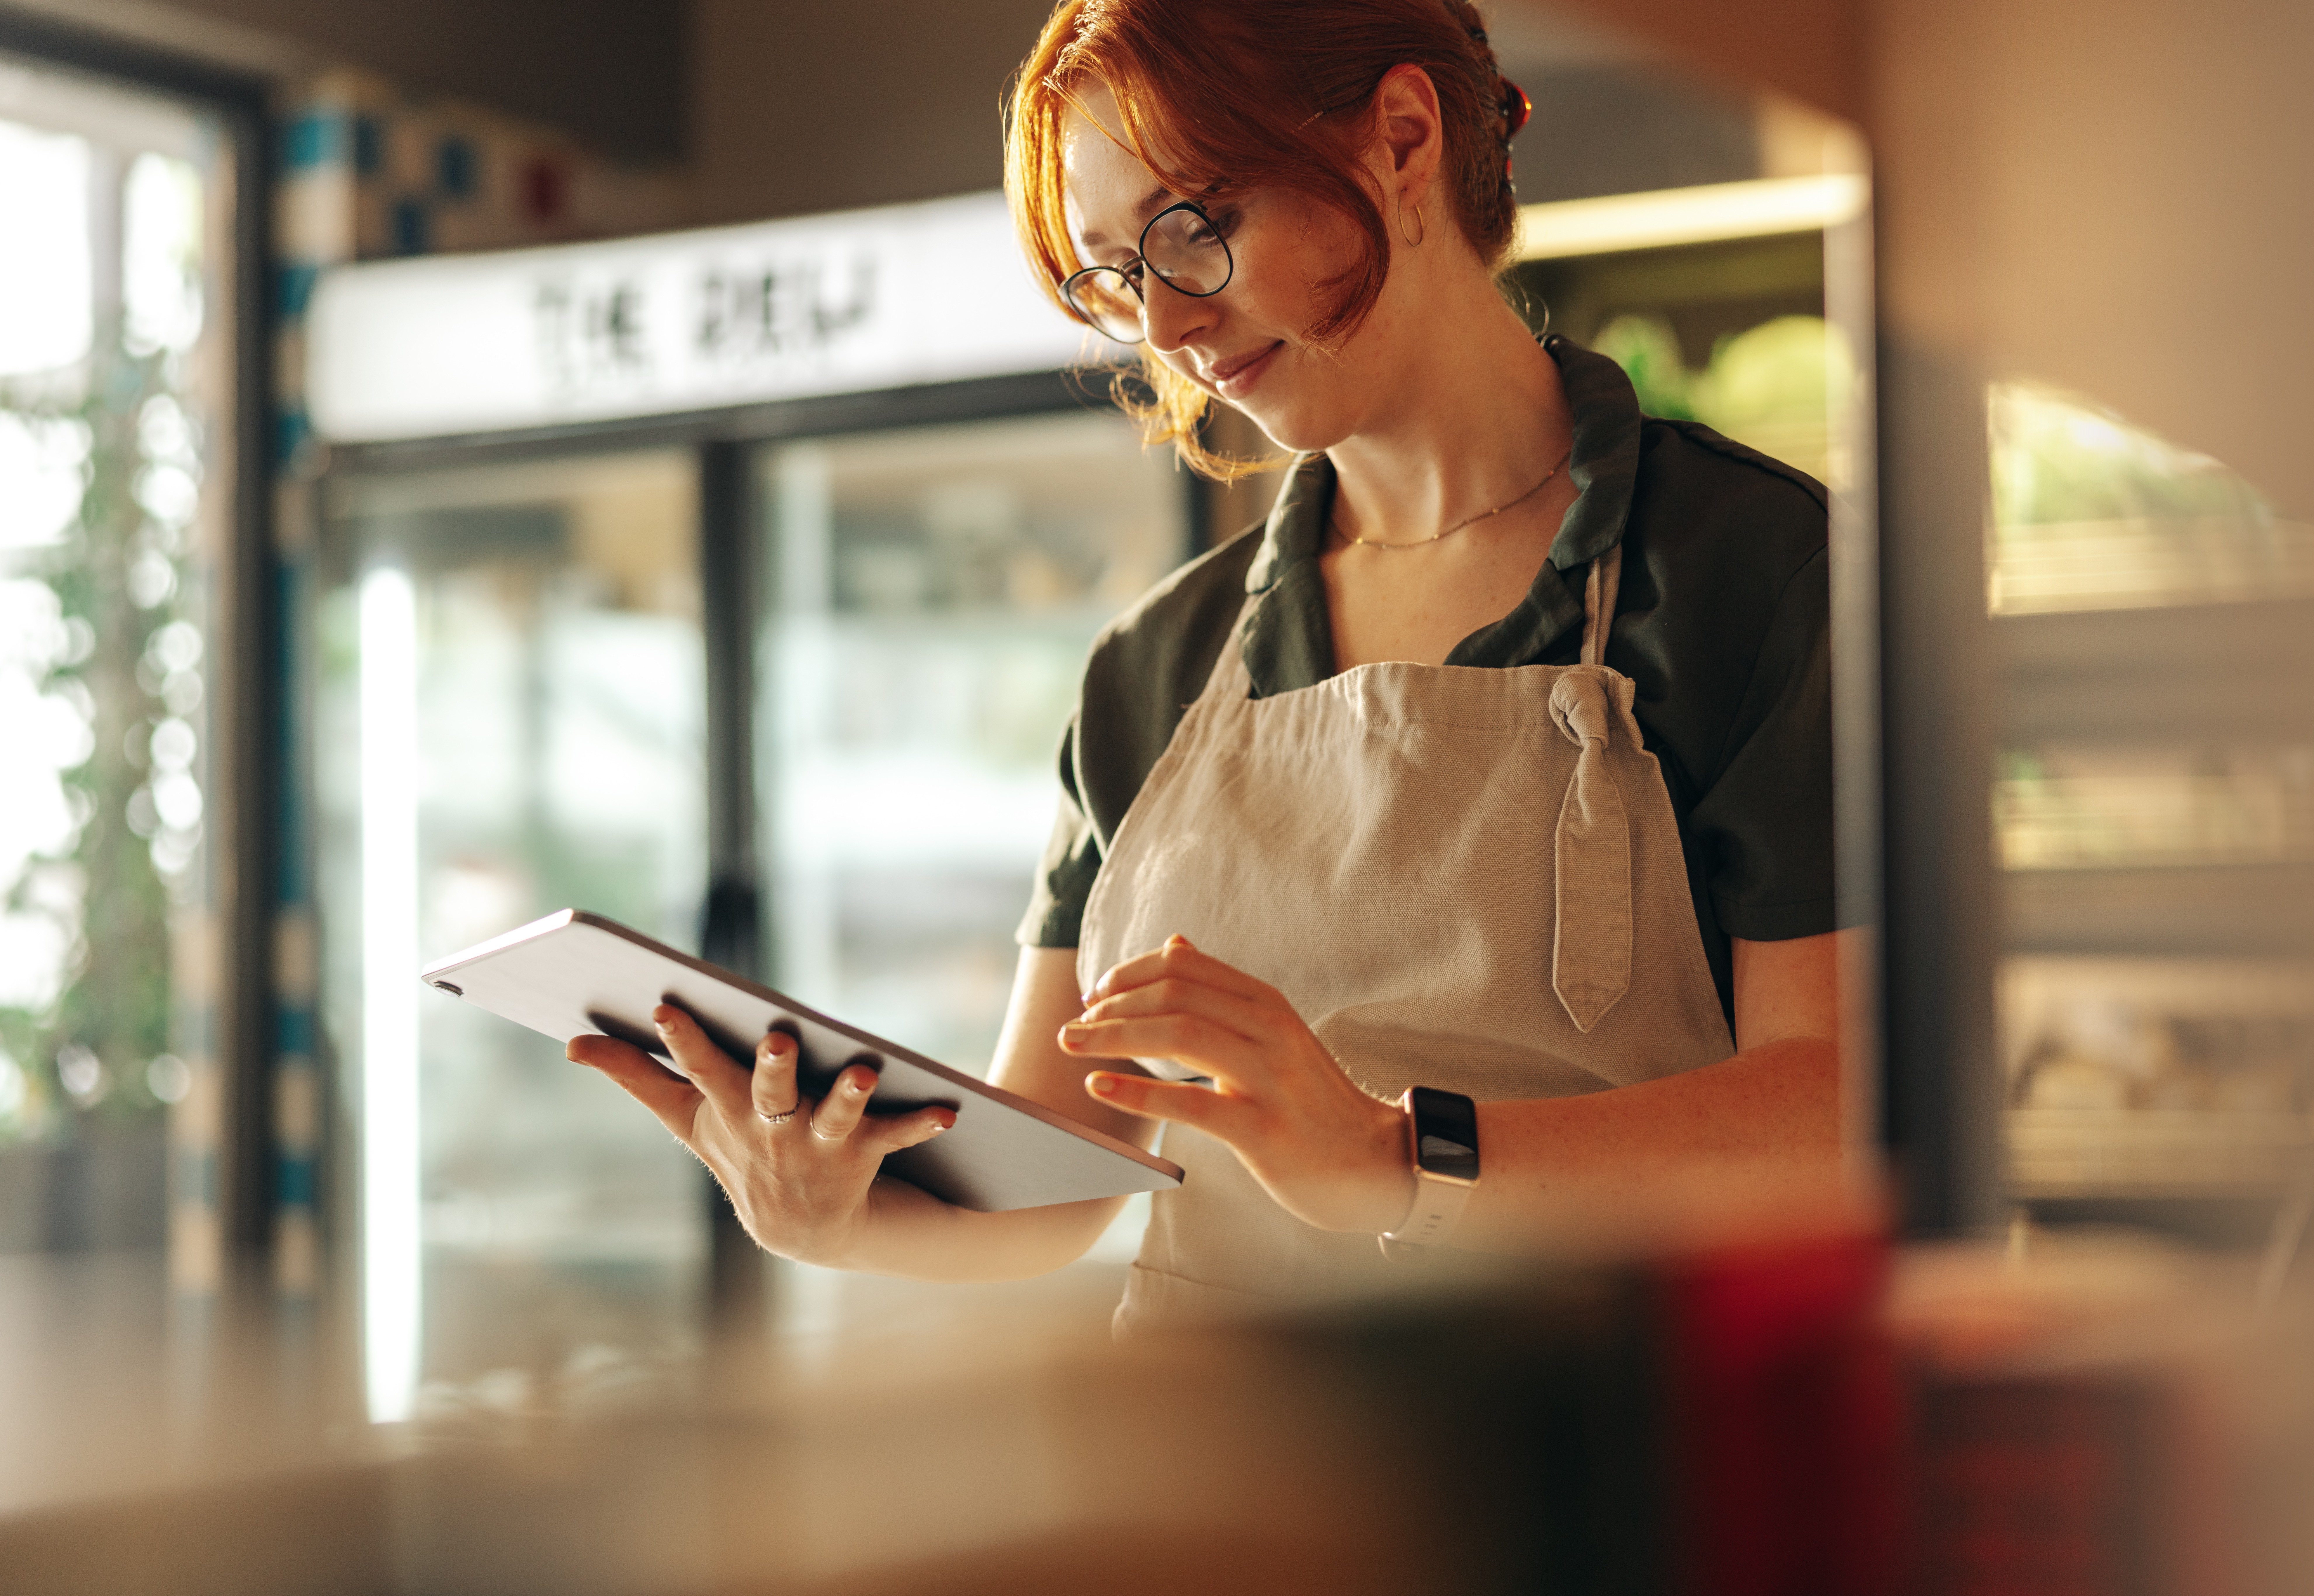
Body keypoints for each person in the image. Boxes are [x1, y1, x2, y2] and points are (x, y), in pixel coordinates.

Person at [572, 0, 1849, 1331]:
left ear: (1402, 141)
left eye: (1193, 231)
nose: (1168, 330)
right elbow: (1061, 1179)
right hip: (1210, 1499)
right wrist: (840, 1213)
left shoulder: (1743, 569)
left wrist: (1396, 1161)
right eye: (1116, 278)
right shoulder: (1154, 667)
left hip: (1590, 1483)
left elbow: (1836, 1106)